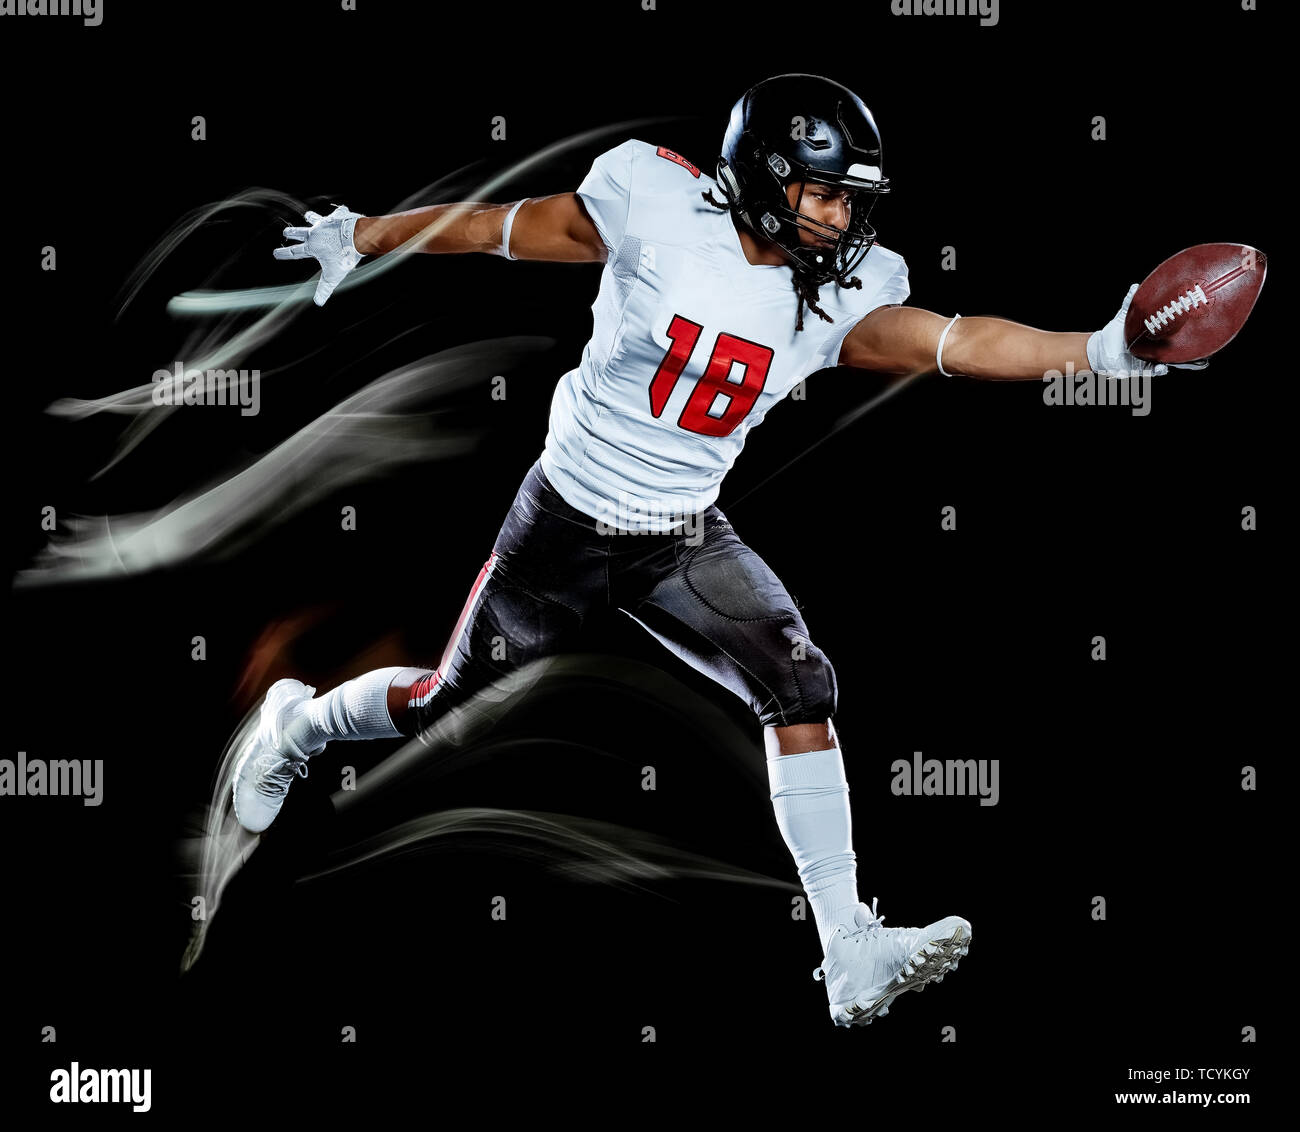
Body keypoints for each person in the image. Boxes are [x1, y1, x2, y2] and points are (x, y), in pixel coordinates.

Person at [236, 73, 1163, 1027]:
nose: (846, 217)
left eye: (854, 197)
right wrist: (364, 233)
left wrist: (1102, 350)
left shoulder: (844, 291)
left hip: (681, 532)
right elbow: (499, 227)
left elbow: (959, 342)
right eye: (828, 192)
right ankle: (295, 729)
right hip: (566, 519)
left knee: (802, 685)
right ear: (765, 176)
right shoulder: (656, 202)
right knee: (443, 702)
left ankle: (848, 945)